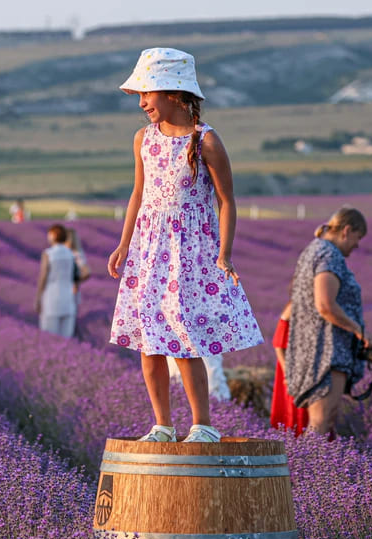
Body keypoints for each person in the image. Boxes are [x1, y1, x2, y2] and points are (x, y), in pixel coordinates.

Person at [108, 48, 263, 443]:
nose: (141, 103)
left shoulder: (206, 140)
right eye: (139, 95)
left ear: (174, 93)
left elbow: (227, 200)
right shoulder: (142, 139)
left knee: (184, 339)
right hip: (148, 250)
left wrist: (224, 253)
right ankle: (162, 424)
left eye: (147, 93)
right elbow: (138, 194)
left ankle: (202, 425)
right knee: (149, 342)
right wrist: (124, 245)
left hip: (190, 254)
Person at [285, 207, 372, 437]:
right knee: (321, 423)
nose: (357, 245)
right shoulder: (329, 255)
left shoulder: (314, 250)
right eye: (357, 238)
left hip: (314, 349)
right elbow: (325, 305)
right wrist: (360, 332)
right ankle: (307, 470)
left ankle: (309, 468)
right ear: (346, 231)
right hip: (326, 352)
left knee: (323, 421)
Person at [270, 301, 310, 436]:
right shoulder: (294, 306)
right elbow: (278, 343)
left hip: (309, 364)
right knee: (296, 409)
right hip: (293, 367)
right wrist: (288, 372)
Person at [35, 224, 77, 338]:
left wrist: (38, 298)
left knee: (49, 338)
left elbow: (43, 277)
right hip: (68, 299)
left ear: (53, 235)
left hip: (51, 298)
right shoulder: (71, 253)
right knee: (66, 339)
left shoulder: (48, 254)